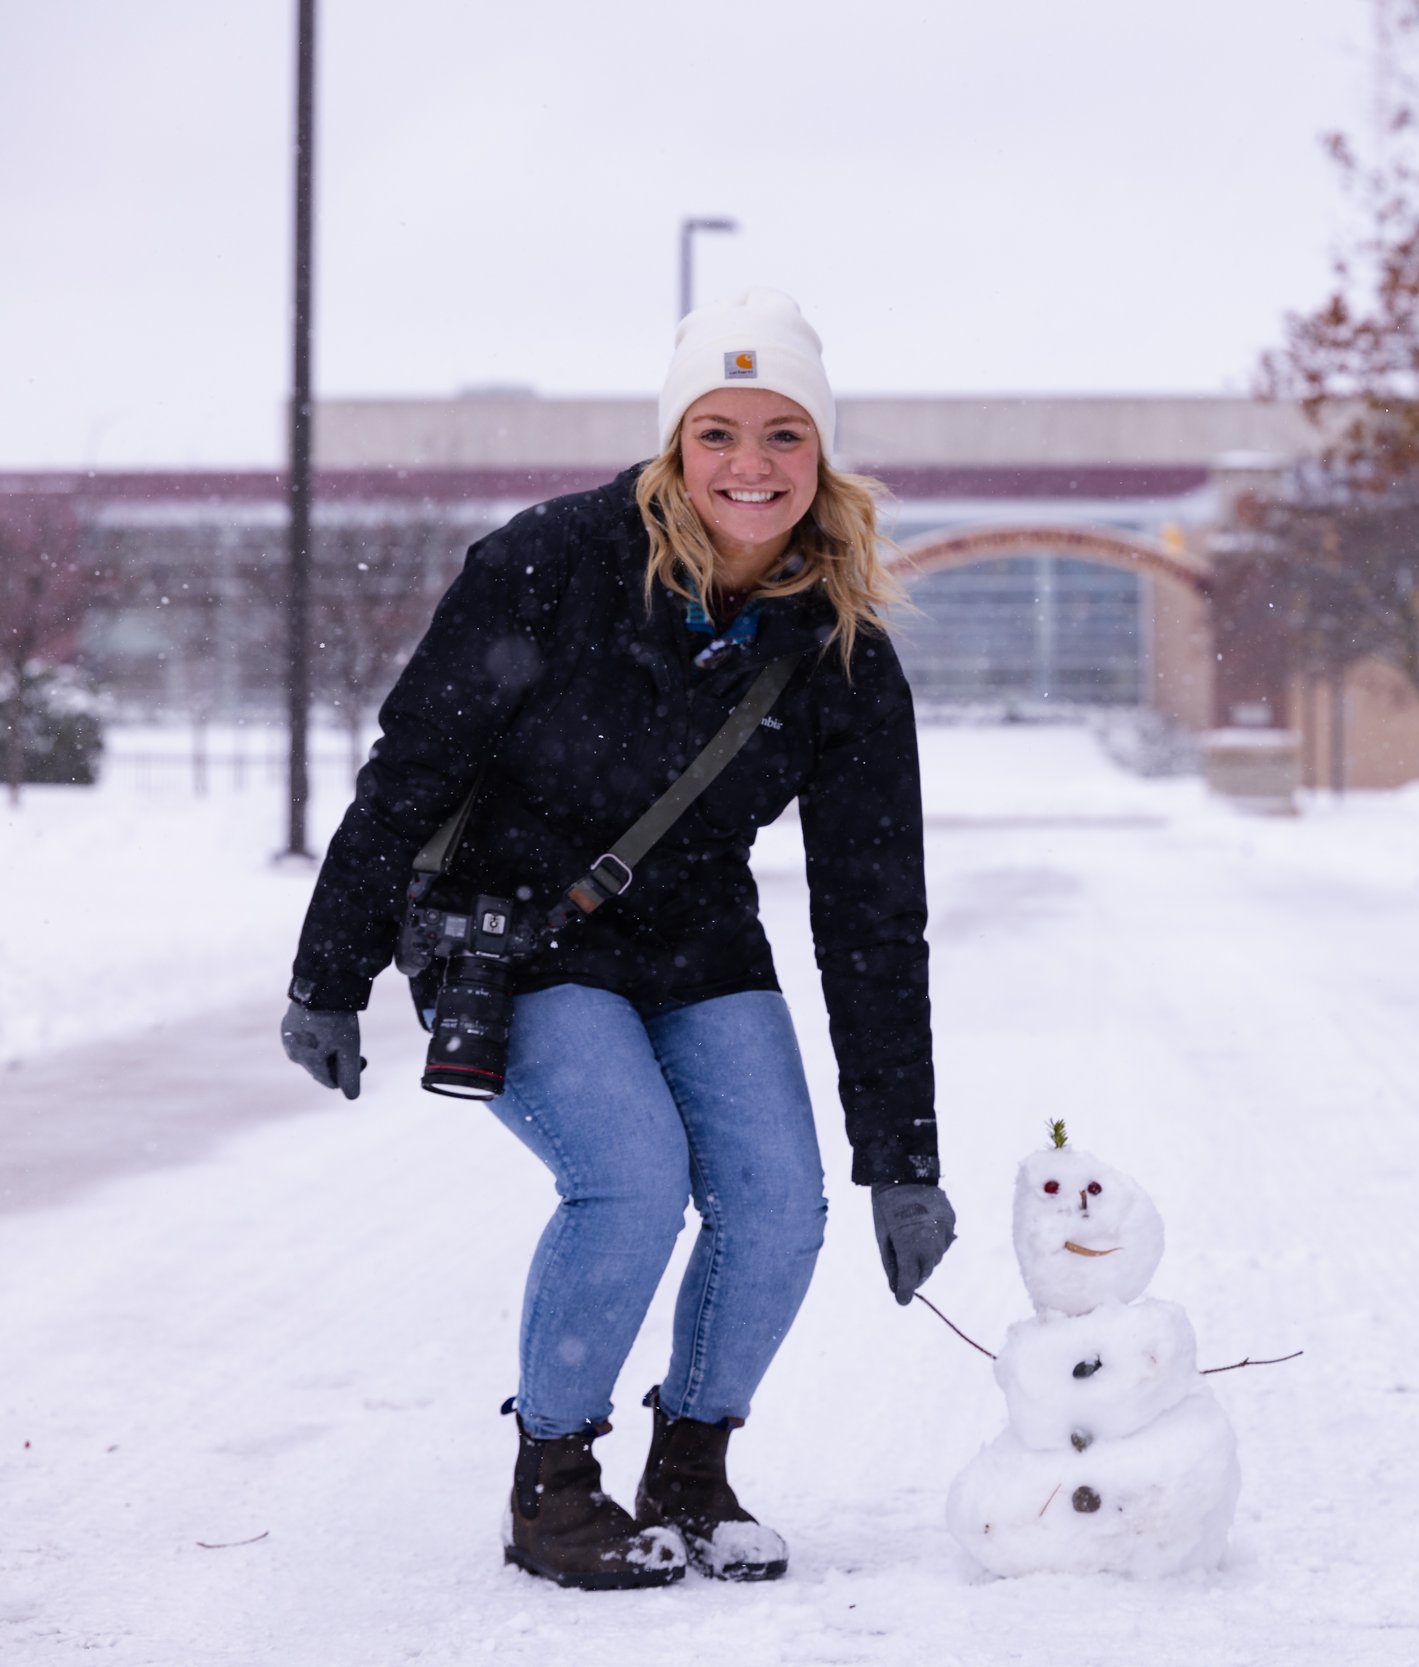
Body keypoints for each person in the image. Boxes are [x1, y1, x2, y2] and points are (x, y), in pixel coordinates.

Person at [279, 288, 955, 1590]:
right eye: (718, 433)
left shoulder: (840, 647)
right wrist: (331, 970)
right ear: (672, 445)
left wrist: (903, 1155)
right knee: (632, 1175)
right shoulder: (551, 563)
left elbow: (877, 911)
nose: (750, 467)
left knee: (777, 1201)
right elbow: (412, 770)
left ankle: (692, 1473)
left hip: (697, 941)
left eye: (783, 436)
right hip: (514, 934)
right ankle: (555, 1483)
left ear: (822, 457)